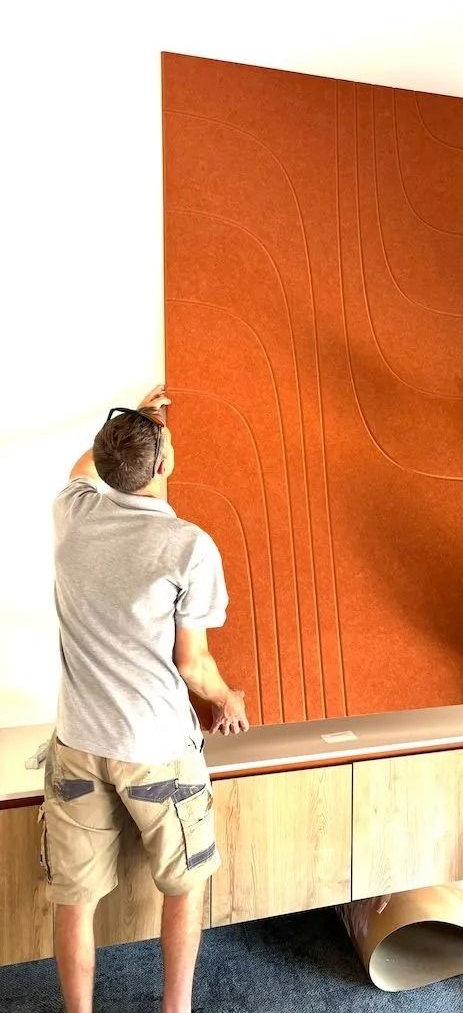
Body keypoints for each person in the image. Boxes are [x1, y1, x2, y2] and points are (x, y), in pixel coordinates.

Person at [42, 385, 250, 1013]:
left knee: (73, 900)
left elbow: (86, 467)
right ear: (164, 465)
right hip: (156, 748)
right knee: (184, 887)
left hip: (78, 743)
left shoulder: (71, 513)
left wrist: (135, 418)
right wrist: (230, 699)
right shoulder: (188, 545)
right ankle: (175, 1009)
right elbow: (195, 666)